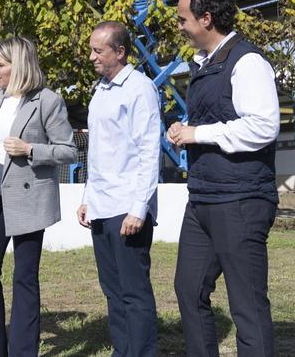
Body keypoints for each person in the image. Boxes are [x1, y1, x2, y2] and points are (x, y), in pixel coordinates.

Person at [165, 0, 280, 357]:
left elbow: (263, 126)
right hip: (203, 198)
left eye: (183, 18)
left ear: (206, 18)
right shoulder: (203, 65)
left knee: (246, 304)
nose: (179, 25)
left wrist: (197, 133)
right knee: (189, 288)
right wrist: (184, 128)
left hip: (241, 199)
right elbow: (220, 116)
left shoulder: (247, 61)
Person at [0, 36, 77, 357]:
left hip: (29, 201)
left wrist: (30, 150)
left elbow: (69, 151)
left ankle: (23, 352)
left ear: (19, 66)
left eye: (0, 64)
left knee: (24, 278)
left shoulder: (48, 101)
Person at [78, 21, 162, 356]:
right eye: (91, 49)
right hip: (101, 206)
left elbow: (147, 150)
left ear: (120, 52)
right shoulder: (101, 90)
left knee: (134, 292)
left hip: (127, 210)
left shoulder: (140, 89)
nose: (91, 57)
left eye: (98, 51)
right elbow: (98, 151)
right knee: (112, 290)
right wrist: (87, 198)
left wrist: (139, 208)